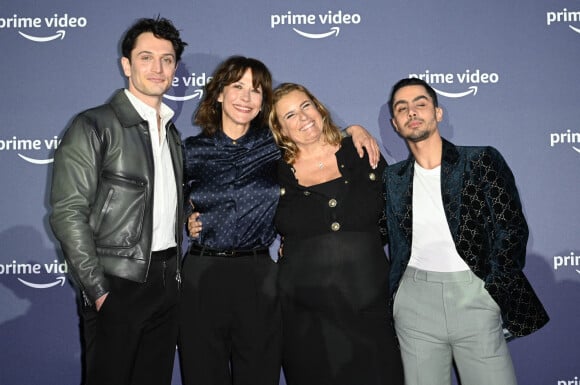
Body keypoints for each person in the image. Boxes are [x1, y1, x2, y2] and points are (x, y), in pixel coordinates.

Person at [179, 56, 379, 385]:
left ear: (263, 102)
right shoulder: (192, 149)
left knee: (259, 374)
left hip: (258, 275)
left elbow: (313, 136)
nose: (246, 96)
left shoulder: (273, 145)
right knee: (202, 374)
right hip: (203, 274)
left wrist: (353, 130)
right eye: (237, 87)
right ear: (218, 94)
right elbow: (170, 202)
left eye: (256, 90)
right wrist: (187, 217)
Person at [384, 77, 549, 385]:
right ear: (395, 123)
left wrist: (492, 288)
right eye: (402, 108)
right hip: (414, 301)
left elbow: (511, 228)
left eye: (420, 103)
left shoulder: (480, 160)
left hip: (474, 294)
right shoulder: (392, 178)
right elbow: (372, 229)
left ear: (438, 112)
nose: (412, 112)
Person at [49, 17, 187, 385]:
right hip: (116, 282)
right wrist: (97, 289)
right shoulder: (93, 125)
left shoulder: (172, 133)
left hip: (167, 280)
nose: (158, 68)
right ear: (126, 64)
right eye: (146, 57)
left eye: (167, 59)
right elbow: (67, 213)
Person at [269, 82, 404, 385]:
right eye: (289, 116)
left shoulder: (359, 150)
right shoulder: (271, 172)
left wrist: (353, 128)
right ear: (280, 129)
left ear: (318, 107)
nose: (303, 118)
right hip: (304, 315)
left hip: (370, 307)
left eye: (306, 106)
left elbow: (392, 218)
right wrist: (197, 216)